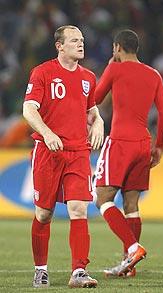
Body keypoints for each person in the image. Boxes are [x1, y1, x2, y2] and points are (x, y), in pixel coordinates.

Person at [23, 25, 104, 288]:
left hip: (78, 152)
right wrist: (47, 133)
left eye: (82, 40)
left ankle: (79, 271)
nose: (81, 44)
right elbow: (28, 109)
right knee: (44, 214)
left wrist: (99, 122)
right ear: (59, 46)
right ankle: (41, 269)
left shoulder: (88, 77)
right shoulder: (43, 73)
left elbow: (91, 110)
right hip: (48, 152)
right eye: (74, 41)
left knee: (79, 209)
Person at [93, 29, 163, 277]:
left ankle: (133, 248)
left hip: (120, 142)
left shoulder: (115, 69)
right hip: (143, 144)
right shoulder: (154, 74)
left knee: (102, 199)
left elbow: (95, 98)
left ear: (117, 48)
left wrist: (107, 69)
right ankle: (128, 267)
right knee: (131, 205)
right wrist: (158, 146)